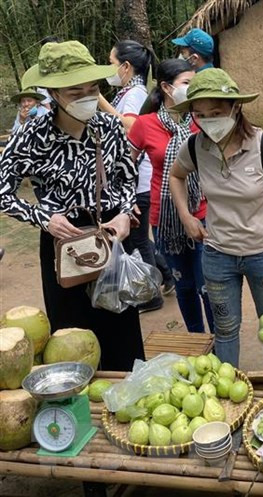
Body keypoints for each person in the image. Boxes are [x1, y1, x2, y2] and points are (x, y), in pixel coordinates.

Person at [0, 41, 144, 371]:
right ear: (54, 93)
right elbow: (2, 190)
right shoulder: (33, 135)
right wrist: (43, 217)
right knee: (71, 336)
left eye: (92, 88)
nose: (87, 97)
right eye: (75, 91)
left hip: (109, 233)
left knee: (120, 324)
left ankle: (127, 397)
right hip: (62, 240)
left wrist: (123, 212)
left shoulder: (108, 127)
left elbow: (126, 178)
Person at [169, 69, 263, 370]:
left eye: (216, 112)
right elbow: (176, 175)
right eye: (200, 114)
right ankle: (229, 389)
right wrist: (186, 216)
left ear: (235, 108)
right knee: (225, 328)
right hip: (218, 254)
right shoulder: (196, 147)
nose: (208, 120)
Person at [128, 59, 214, 334]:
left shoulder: (202, 120)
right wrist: (125, 203)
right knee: (184, 286)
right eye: (186, 83)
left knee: (208, 285)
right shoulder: (144, 124)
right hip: (164, 219)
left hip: (202, 214)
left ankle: (219, 341)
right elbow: (125, 166)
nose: (193, 88)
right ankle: (197, 339)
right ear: (166, 87)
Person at [97, 40, 172, 312]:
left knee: (137, 240)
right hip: (133, 179)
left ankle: (151, 294)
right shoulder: (127, 93)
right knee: (138, 238)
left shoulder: (135, 94)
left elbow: (130, 125)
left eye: (111, 63)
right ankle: (165, 275)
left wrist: (99, 99)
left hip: (139, 181)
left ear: (126, 67)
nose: (109, 69)